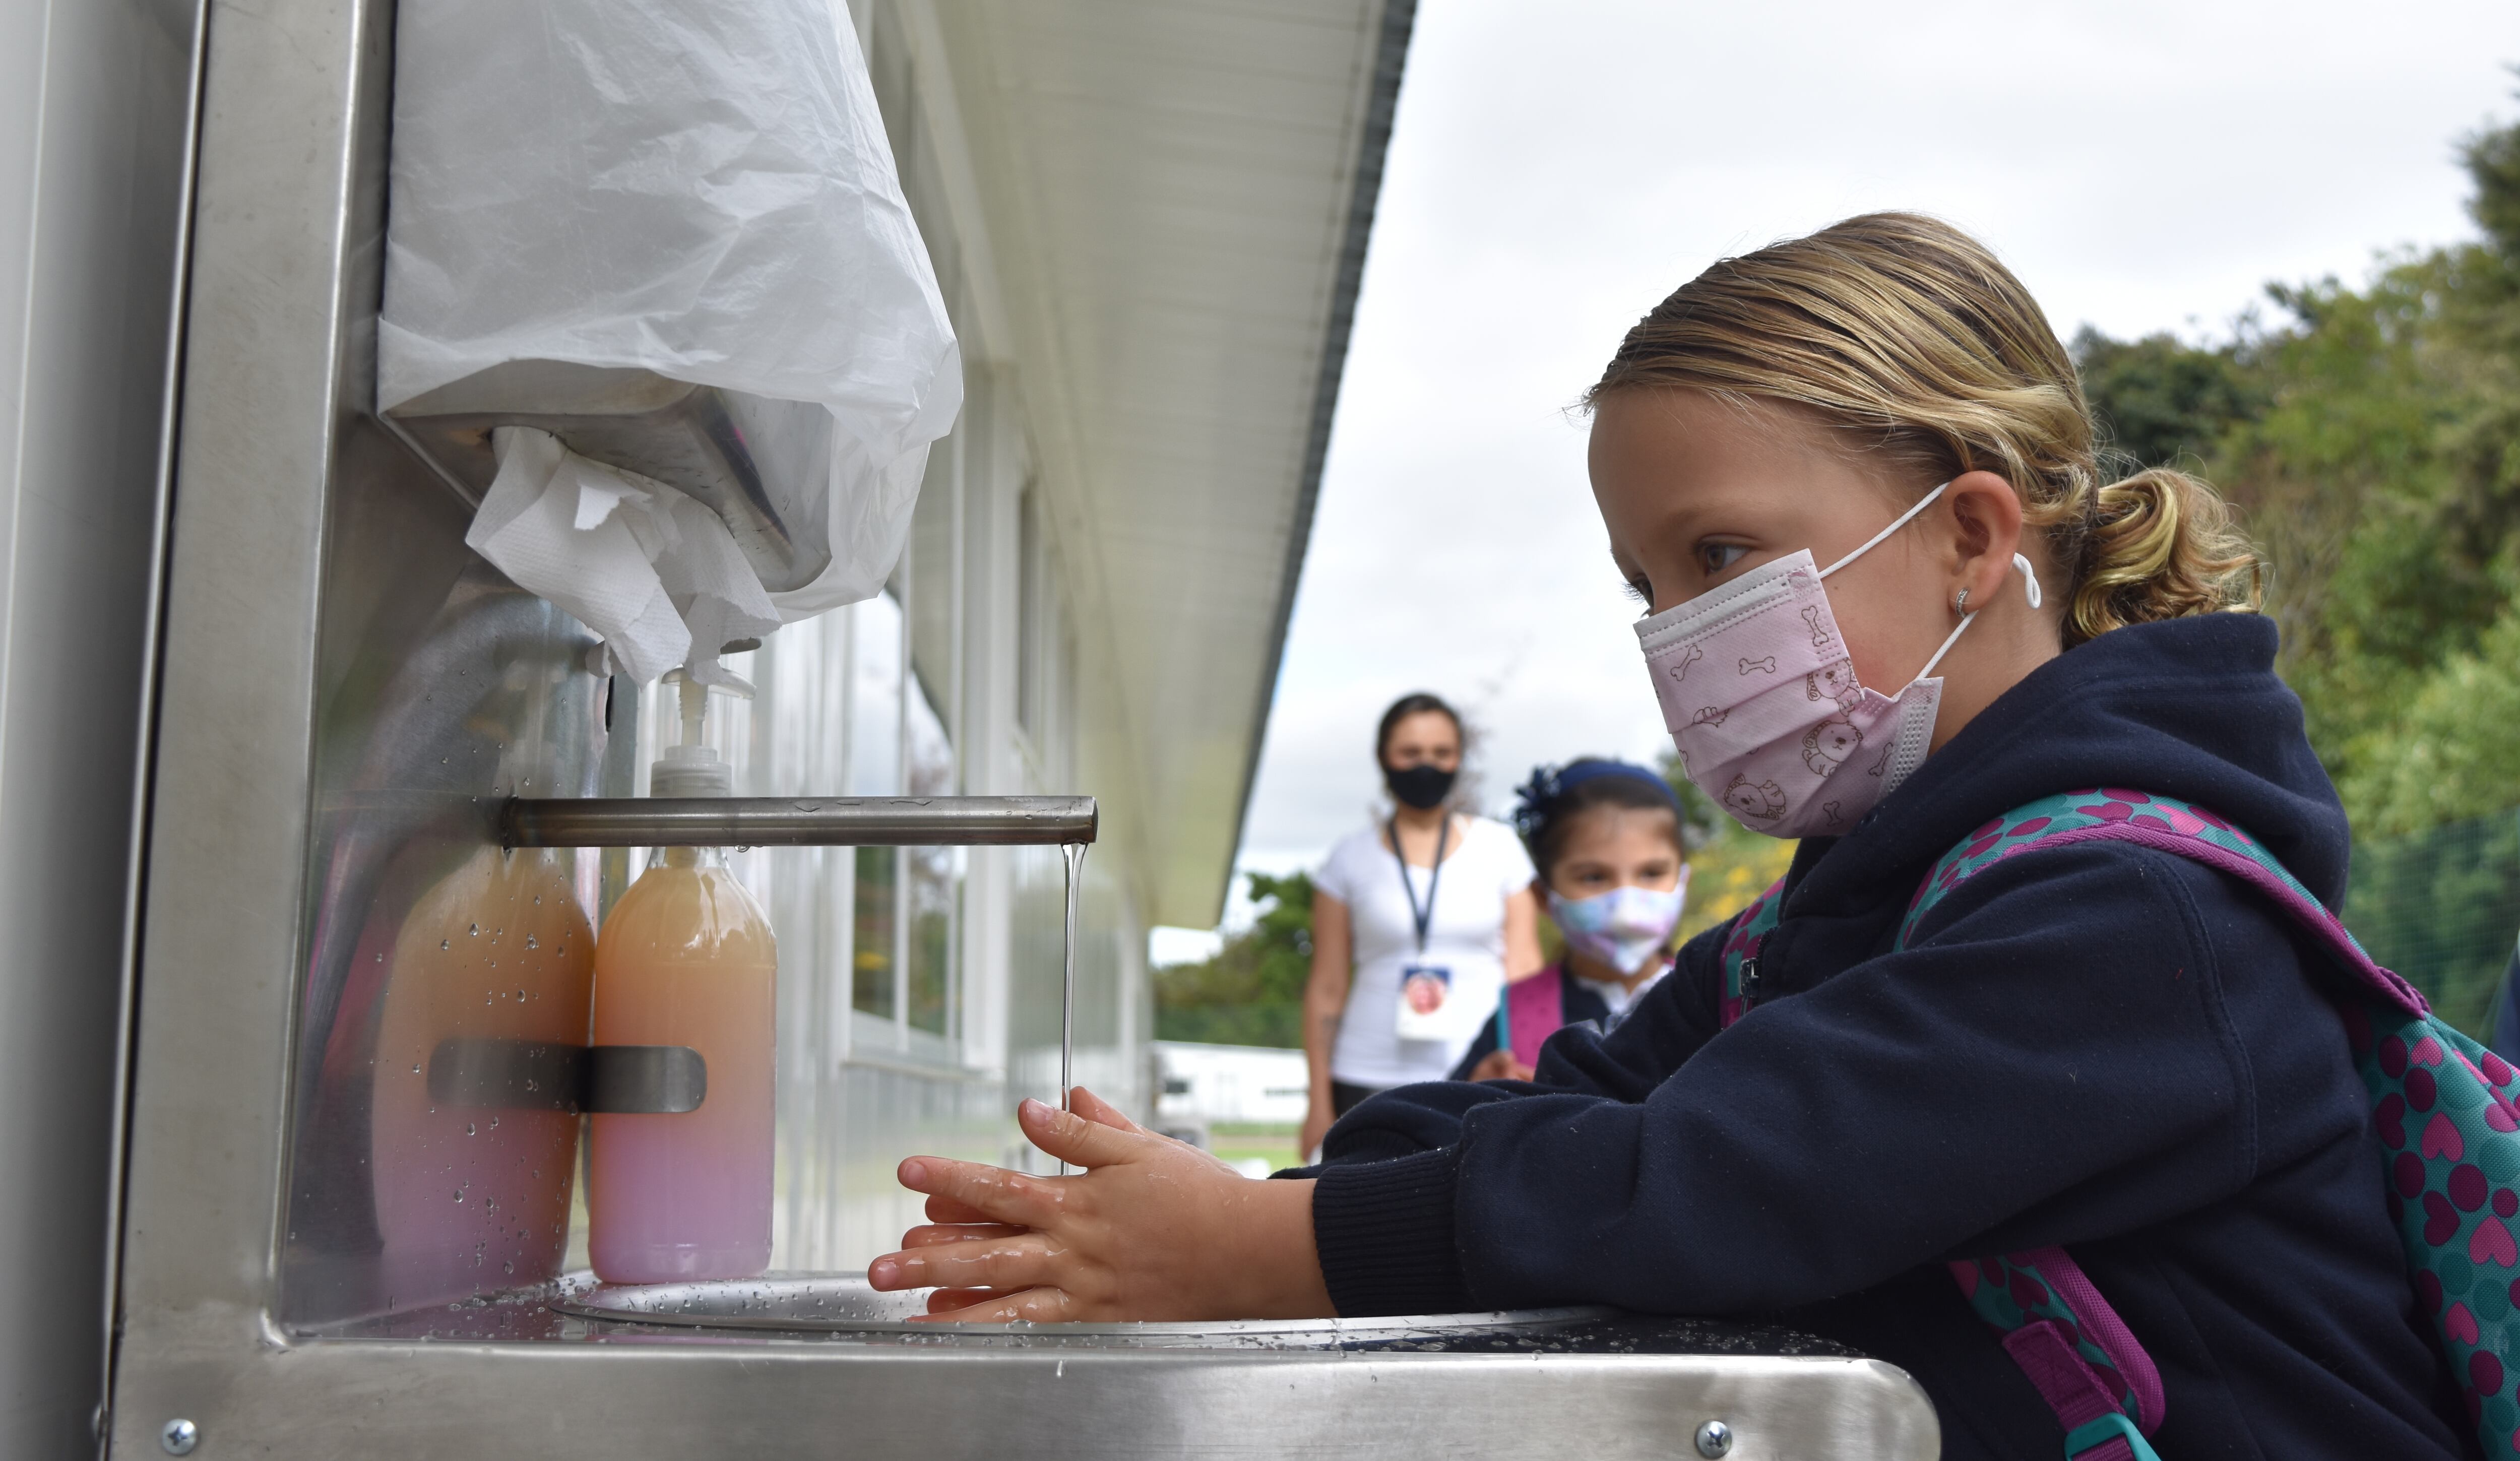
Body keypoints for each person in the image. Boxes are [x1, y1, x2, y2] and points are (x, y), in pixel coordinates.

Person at [867, 214, 2470, 1461]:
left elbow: (1709, 1181)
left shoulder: (2137, 921)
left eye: (1720, 552)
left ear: (1972, 535)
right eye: (1647, 582)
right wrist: (1219, 1208)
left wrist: (1265, 1247)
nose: (1680, 631)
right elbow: (1585, 1102)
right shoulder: (1848, 909)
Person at [1293, 693, 1542, 1161]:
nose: (1426, 765)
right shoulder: (1348, 858)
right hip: (1366, 1074)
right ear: (1384, 758)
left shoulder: (1501, 847)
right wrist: (1317, 1101)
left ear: (1459, 759)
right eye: (1410, 753)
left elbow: (1525, 966)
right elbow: (1326, 985)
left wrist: (1525, 1062)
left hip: (1478, 1073)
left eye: (1441, 753)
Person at [1451, 759, 1689, 1083]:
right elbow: (1442, 1121)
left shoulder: (1713, 999)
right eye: (1594, 877)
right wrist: (1478, 1091)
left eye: (1651, 873)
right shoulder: (1516, 1014)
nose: (1626, 910)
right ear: (1543, 896)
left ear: (1683, 879)